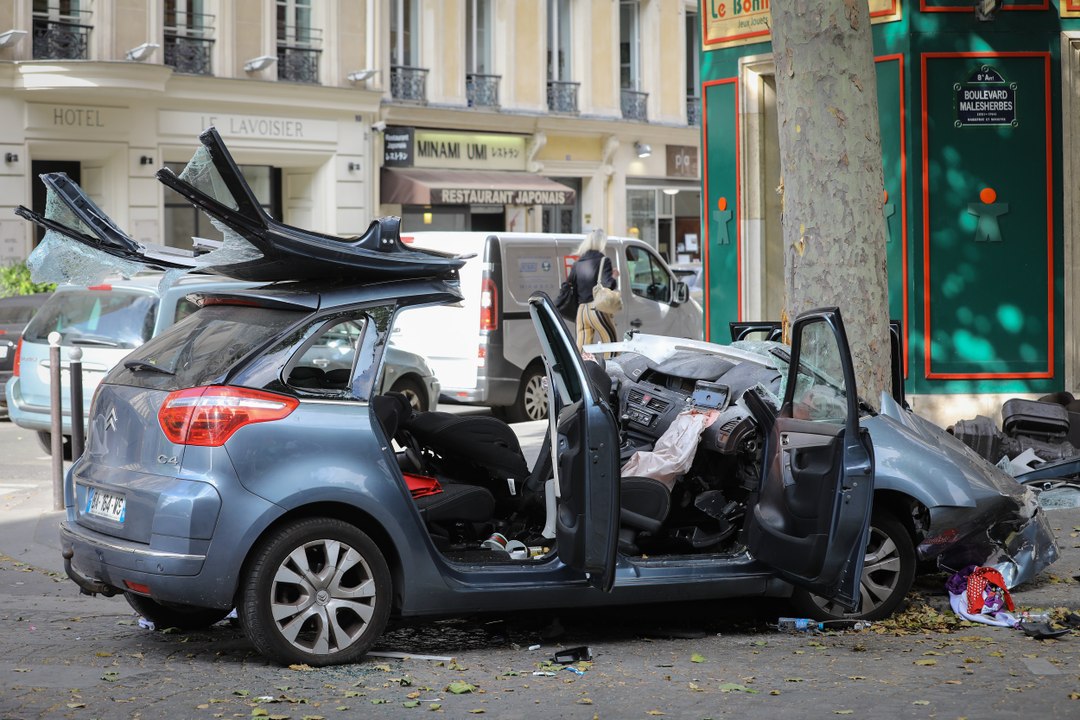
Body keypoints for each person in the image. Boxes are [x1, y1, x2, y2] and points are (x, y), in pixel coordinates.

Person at [568, 228, 618, 351]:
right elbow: (608, 285)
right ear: (601, 243)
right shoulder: (603, 261)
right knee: (611, 344)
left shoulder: (577, 263)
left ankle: (582, 370)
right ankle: (610, 370)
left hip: (581, 311)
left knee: (582, 350)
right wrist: (614, 277)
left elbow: (570, 285)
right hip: (597, 309)